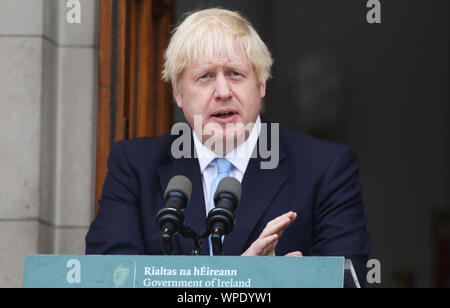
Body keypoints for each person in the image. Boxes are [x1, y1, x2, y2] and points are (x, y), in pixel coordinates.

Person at [85, 8, 371, 285]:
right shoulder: (134, 167)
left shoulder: (326, 168)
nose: (223, 92)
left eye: (235, 74)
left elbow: (345, 280)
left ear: (261, 85)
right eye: (205, 76)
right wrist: (245, 280)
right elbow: (108, 279)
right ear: (178, 92)